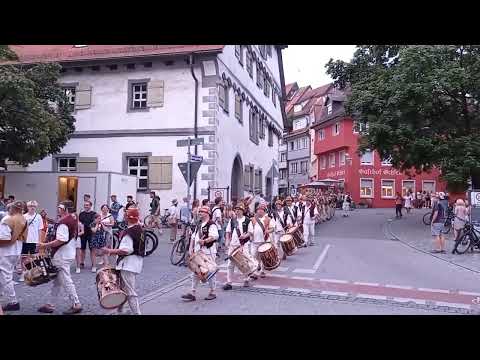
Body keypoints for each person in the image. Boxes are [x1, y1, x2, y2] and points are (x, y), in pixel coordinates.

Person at [37, 202, 82, 314]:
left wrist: (44, 245)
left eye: (60, 208)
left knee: (66, 280)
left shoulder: (64, 222)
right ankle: (50, 305)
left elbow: (61, 240)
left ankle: (76, 303)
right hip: (68, 253)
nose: (58, 209)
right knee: (57, 281)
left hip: (62, 255)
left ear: (65, 209)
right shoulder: (73, 217)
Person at [103, 207, 143, 315]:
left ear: (127, 218)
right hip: (134, 263)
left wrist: (110, 251)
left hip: (128, 264)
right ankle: (121, 311)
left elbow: (126, 250)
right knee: (123, 290)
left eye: (126, 215)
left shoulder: (130, 231)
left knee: (130, 292)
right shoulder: (139, 228)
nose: (124, 216)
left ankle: (136, 313)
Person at [181, 206, 219, 301]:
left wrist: (205, 241)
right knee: (196, 272)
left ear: (207, 213)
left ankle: (213, 291)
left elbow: (215, 236)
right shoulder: (199, 224)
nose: (200, 213)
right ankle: (192, 292)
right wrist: (190, 249)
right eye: (200, 212)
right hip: (198, 252)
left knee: (210, 272)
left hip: (208, 251)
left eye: (202, 212)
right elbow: (193, 237)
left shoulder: (211, 224)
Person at [0, 201, 28, 312]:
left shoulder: (7, 220)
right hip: (16, 251)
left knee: (6, 277)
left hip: (5, 251)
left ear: (13, 209)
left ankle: (13, 301)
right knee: (5, 275)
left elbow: (4, 239)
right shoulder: (23, 219)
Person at [223, 203, 253, 290]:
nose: (237, 211)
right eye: (236, 210)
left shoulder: (247, 220)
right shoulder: (232, 220)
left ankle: (246, 279)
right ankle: (229, 282)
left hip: (243, 244)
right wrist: (227, 241)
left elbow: (251, 232)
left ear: (242, 211)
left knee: (244, 262)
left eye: (239, 210)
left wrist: (245, 236)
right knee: (230, 264)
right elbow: (228, 232)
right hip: (233, 245)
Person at [248, 203, 274, 279]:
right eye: (258, 210)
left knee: (263, 257)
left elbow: (272, 228)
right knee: (253, 256)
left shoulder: (268, 219)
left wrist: (268, 231)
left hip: (264, 240)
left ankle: (262, 271)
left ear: (264, 211)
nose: (260, 211)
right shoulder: (252, 219)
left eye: (262, 210)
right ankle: (255, 270)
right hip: (254, 241)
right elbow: (249, 229)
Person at [19, 201, 44, 282]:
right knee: (23, 257)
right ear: (28, 207)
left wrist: (39, 241)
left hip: (34, 240)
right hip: (25, 240)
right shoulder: (24, 216)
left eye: (34, 206)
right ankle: (23, 273)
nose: (32, 207)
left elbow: (40, 229)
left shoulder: (38, 217)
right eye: (30, 206)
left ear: (36, 207)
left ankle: (34, 274)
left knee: (34, 257)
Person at [78, 201, 96, 270]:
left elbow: (95, 222)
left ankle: (93, 265)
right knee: (82, 249)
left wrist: (91, 227)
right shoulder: (81, 214)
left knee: (92, 250)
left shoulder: (94, 214)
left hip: (91, 234)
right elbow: (79, 223)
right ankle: (82, 263)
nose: (86, 206)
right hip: (83, 234)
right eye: (85, 205)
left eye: (87, 205)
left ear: (90, 206)